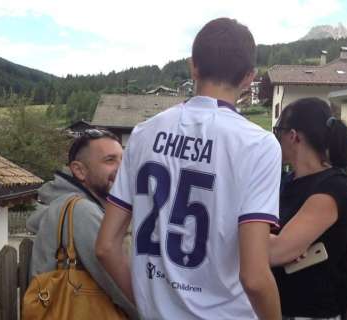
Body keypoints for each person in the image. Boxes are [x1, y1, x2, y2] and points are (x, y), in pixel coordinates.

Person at [96, 17, 282, 320]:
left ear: (192, 66)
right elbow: (255, 277)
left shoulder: (143, 134)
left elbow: (105, 247)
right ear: (249, 77)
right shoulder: (258, 145)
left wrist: (145, 302)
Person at [26, 129, 139, 319]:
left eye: (123, 160)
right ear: (79, 170)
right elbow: (120, 287)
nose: (123, 169)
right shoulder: (82, 211)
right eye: (110, 160)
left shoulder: (78, 206)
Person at [269, 97, 347, 320]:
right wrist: (279, 241)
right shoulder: (287, 181)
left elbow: (276, 252)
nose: (275, 139)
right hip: (278, 308)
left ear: (293, 136)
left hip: (312, 313)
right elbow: (275, 244)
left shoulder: (332, 188)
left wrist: (275, 243)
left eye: (277, 131)